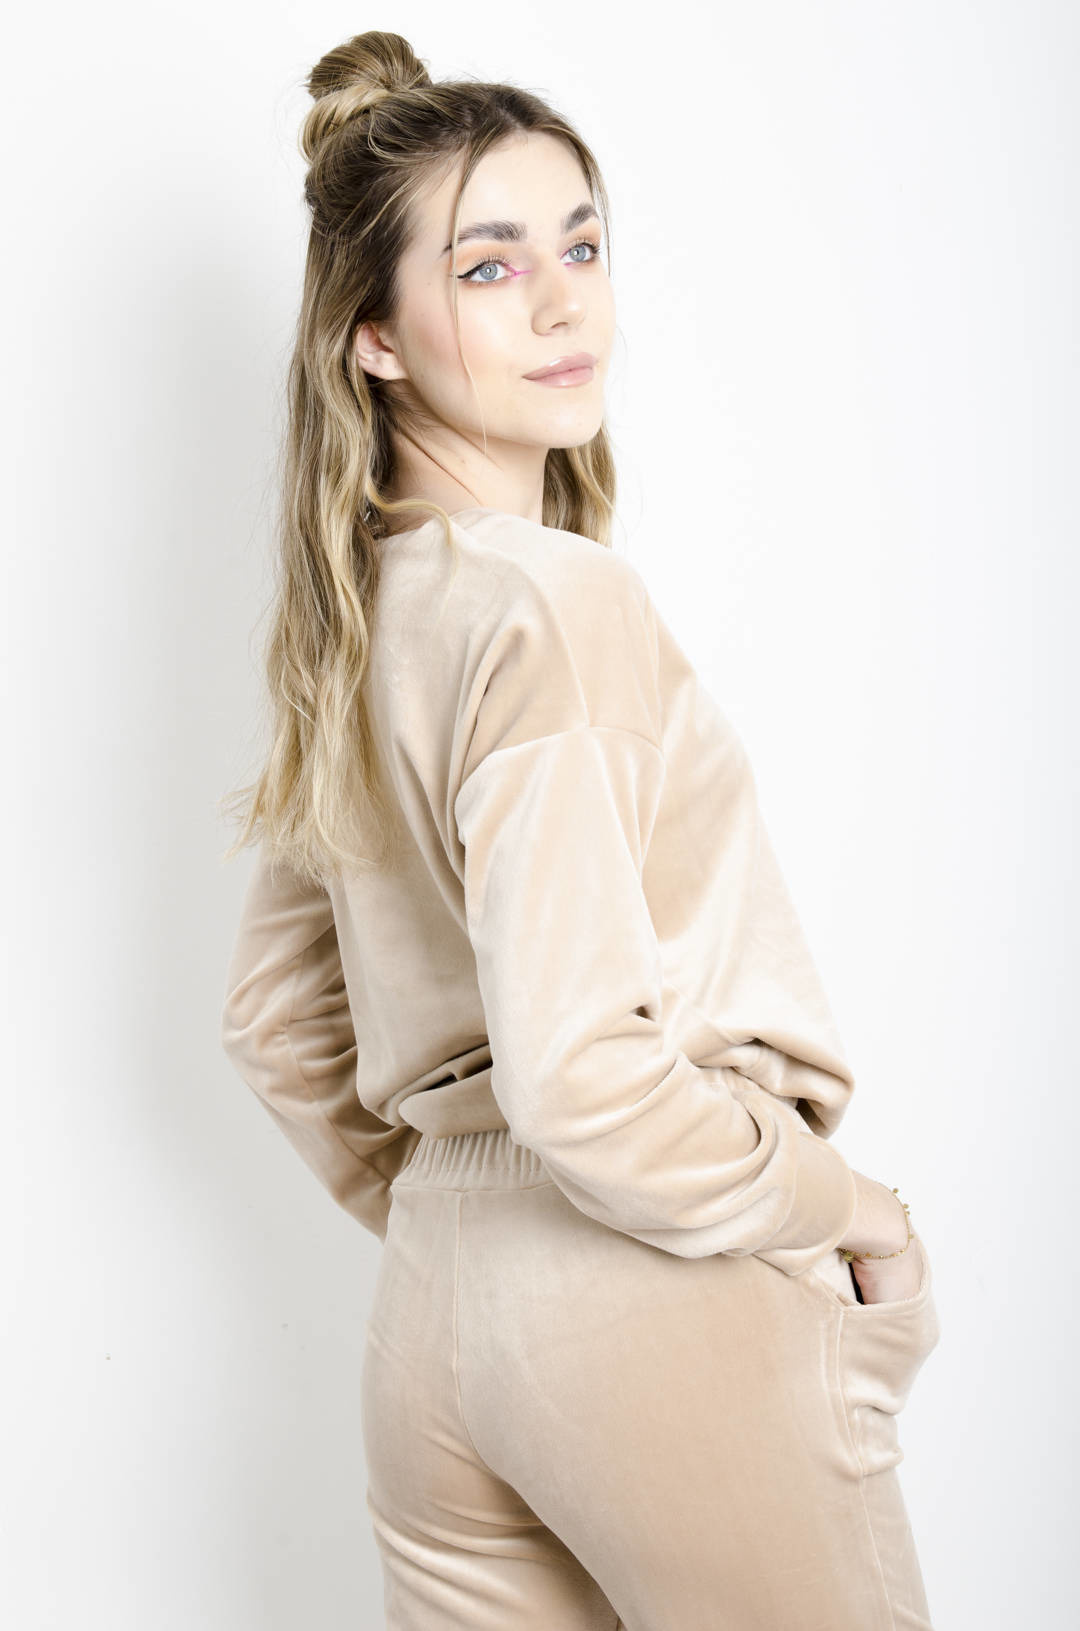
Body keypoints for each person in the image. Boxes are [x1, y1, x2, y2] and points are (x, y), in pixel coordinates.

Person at [219, 29, 942, 1630]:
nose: (563, 304)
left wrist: (466, 1222)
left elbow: (273, 1025)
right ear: (373, 338)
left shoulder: (355, 630)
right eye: (489, 266)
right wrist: (854, 1211)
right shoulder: (554, 603)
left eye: (583, 246)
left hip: (435, 1325)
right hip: (644, 1280)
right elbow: (584, 1081)